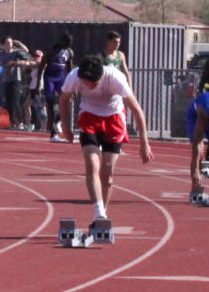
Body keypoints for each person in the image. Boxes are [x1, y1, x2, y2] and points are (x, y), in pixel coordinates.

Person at [58, 56, 153, 223]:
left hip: (113, 118)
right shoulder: (74, 76)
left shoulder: (115, 78)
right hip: (89, 117)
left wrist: (144, 143)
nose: (88, 86)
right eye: (85, 83)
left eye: (92, 84)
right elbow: (64, 100)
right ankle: (99, 212)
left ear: (100, 77)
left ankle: (103, 215)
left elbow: (137, 110)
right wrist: (65, 128)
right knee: (91, 163)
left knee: (107, 172)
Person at [0, 36, 34, 130]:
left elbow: (26, 52)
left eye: (10, 43)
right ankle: (12, 122)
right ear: (3, 45)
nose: (9, 45)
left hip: (15, 80)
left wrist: (19, 43)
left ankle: (21, 122)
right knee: (9, 103)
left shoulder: (16, 52)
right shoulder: (1, 54)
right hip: (6, 80)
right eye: (7, 43)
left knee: (15, 101)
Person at [43, 33, 76, 142]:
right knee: (51, 105)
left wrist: (73, 86)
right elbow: (41, 67)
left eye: (69, 45)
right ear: (62, 41)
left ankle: (58, 121)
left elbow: (70, 70)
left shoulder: (69, 52)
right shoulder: (51, 50)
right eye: (66, 44)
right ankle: (53, 134)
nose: (67, 46)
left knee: (68, 102)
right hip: (50, 79)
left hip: (61, 79)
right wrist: (37, 85)